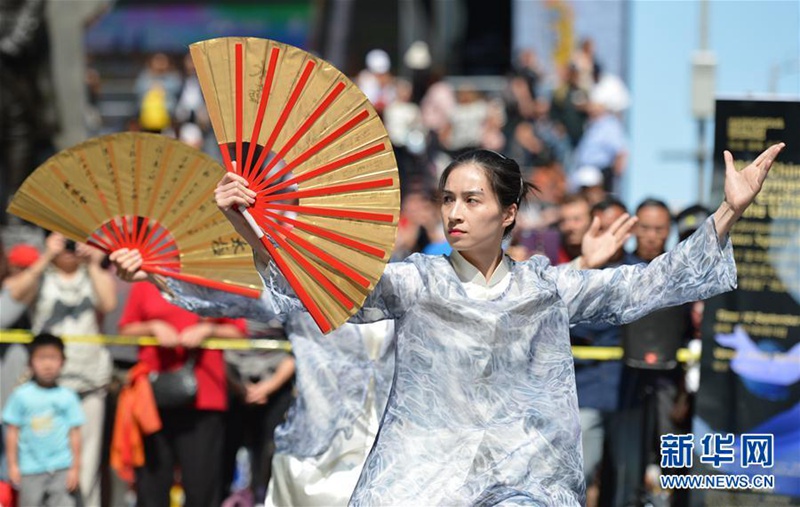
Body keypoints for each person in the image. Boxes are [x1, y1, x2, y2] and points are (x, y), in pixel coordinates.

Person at [120, 143, 783, 504]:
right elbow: (313, 287)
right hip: (415, 476)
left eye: (472, 199)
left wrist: (726, 213)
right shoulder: (414, 280)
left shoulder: (545, 288)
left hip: (525, 479)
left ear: (509, 213)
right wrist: (251, 226)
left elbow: (648, 283)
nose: (455, 212)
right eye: (447, 199)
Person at [3, 232, 115, 507]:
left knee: (86, 467)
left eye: (73, 238)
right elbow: (13, 292)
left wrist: (91, 261)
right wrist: (46, 257)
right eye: (61, 237)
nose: (68, 245)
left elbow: (109, 304)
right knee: (41, 464)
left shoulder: (91, 274)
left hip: (89, 383)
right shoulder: (41, 274)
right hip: (46, 387)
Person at [117, 279, 247, 507]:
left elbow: (239, 331)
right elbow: (126, 328)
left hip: (205, 397)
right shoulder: (146, 282)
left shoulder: (213, 282)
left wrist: (208, 329)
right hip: (152, 398)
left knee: (202, 483)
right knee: (152, 483)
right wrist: (153, 327)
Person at [2, 333, 84, 507]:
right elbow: (12, 431)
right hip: (30, 469)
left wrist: (75, 468)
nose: (48, 364)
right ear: (30, 362)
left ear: (63, 361)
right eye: (41, 358)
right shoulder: (20, 395)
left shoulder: (68, 396)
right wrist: (13, 465)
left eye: (53, 358)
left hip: (61, 468)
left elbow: (75, 433)